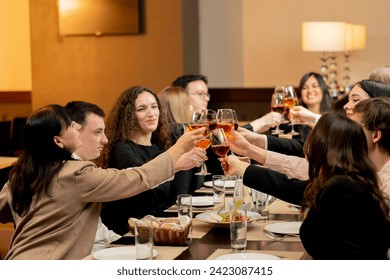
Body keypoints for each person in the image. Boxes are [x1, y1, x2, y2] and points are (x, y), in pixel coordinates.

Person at [0, 104, 203, 259]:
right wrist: (179, 147)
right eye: (71, 125)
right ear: (57, 141)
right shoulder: (76, 173)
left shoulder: (21, 175)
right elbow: (136, 179)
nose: (77, 126)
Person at [224, 112, 390, 259]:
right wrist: (243, 166)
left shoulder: (341, 188)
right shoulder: (352, 181)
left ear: (322, 145)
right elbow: (291, 188)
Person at [98, 86, 207, 235]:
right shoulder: (122, 149)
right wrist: (176, 164)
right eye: (142, 109)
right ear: (129, 115)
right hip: (128, 232)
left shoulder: (160, 146)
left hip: (158, 225)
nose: (151, 113)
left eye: (154, 107)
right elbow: (142, 189)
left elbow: (174, 198)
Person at [65, 101, 121, 253]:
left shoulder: (81, 165)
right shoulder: (76, 172)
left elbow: (100, 232)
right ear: (74, 131)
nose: (105, 140)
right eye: (97, 132)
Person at [283, 72, 331, 140]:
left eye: (314, 86)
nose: (310, 91)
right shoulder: (292, 123)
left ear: (323, 90)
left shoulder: (334, 118)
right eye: (305, 88)